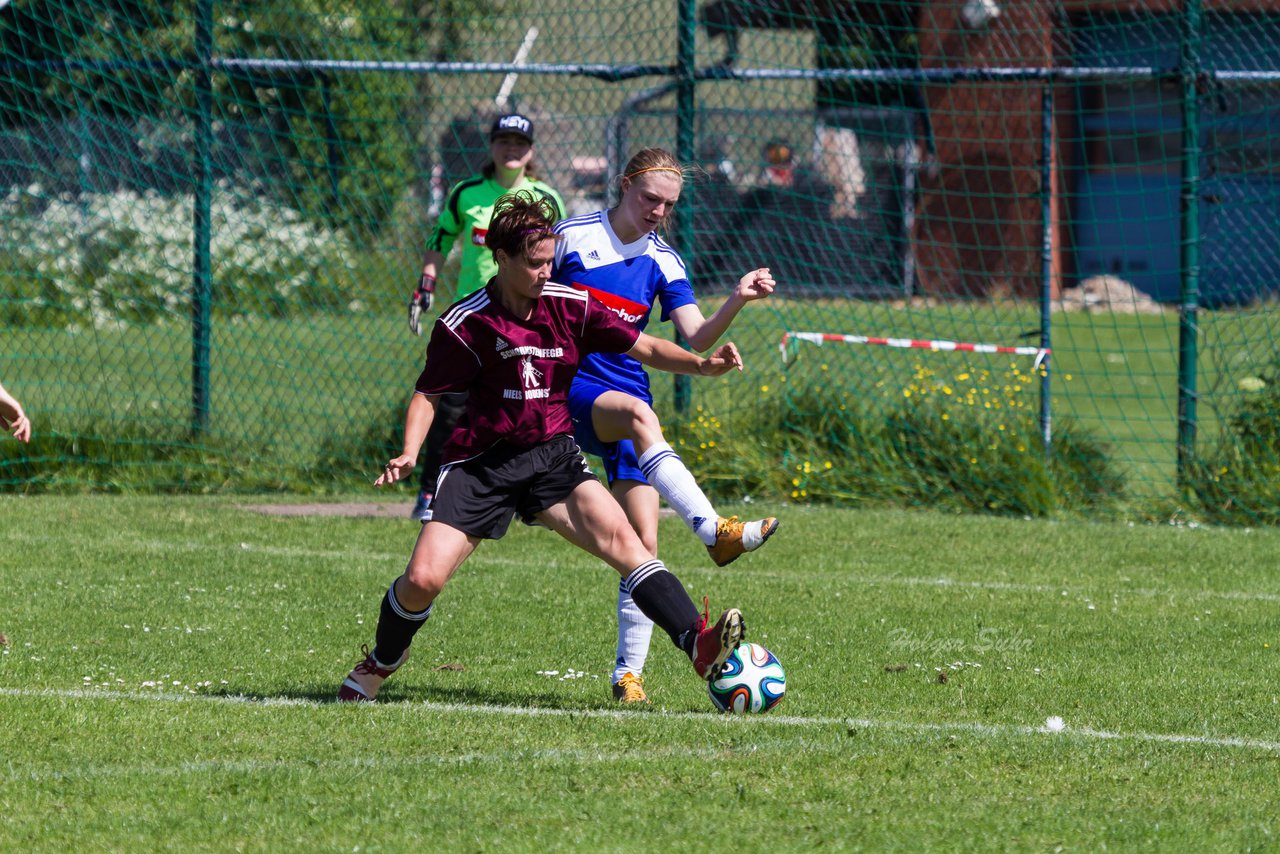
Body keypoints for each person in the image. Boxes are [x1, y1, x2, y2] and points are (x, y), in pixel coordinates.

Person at [338, 191, 747, 703]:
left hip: (552, 454)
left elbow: (642, 346)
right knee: (422, 579)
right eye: (534, 264)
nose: (545, 272)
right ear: (502, 258)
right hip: (481, 464)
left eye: (550, 260)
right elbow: (429, 393)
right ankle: (380, 663)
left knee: (629, 547)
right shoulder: (467, 322)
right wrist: (410, 449)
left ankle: (696, 642)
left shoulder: (569, 305)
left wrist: (701, 365)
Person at [553, 147, 780, 704]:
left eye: (669, 204)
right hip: (572, 388)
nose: (658, 211)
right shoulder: (571, 237)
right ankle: (713, 532)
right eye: (649, 198)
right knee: (636, 415)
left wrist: (738, 300)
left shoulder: (663, 258)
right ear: (625, 184)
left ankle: (627, 677)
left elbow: (696, 336)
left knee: (643, 544)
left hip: (631, 397)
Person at [406, 111, 566, 522]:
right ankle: (429, 493)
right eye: (503, 141)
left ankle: (524, 493)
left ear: (530, 150)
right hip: (475, 321)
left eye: (519, 142)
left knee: (523, 408)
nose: (511, 149)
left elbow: (557, 260)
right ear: (491, 146)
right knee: (451, 408)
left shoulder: (546, 198)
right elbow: (439, 238)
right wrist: (426, 281)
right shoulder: (467, 193)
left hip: (526, 321)